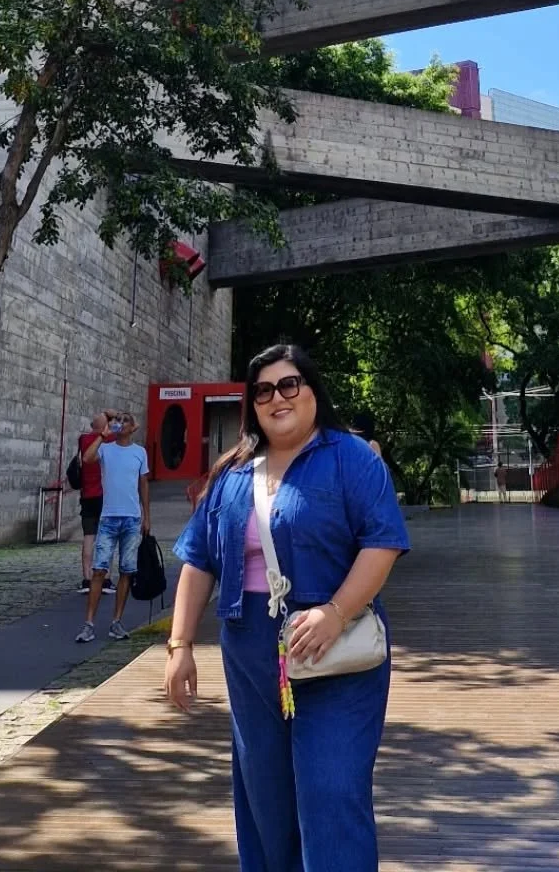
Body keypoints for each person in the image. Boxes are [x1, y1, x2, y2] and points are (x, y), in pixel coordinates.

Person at [166, 344, 409, 872]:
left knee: (331, 787)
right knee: (265, 793)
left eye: (289, 384)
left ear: (312, 391)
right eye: (263, 390)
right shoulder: (231, 474)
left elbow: (382, 542)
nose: (277, 397)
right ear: (252, 405)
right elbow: (198, 559)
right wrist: (180, 645)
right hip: (251, 654)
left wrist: (337, 612)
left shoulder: (351, 459)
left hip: (335, 650)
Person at [76, 412, 150, 641]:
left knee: (127, 571)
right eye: (118, 420)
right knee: (99, 570)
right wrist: (102, 435)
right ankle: (89, 623)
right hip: (108, 518)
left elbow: (143, 485)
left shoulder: (140, 452)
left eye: (126, 420)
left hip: (131, 518)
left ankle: (116, 621)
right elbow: (87, 459)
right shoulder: (106, 449)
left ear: (133, 427)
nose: (120, 423)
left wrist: (147, 516)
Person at [75, 409, 114, 595]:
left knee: (88, 537)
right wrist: (112, 415)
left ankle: (86, 578)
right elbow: (127, 425)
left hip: (87, 495)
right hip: (104, 495)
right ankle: (105, 578)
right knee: (107, 537)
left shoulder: (83, 440)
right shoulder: (108, 441)